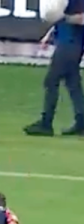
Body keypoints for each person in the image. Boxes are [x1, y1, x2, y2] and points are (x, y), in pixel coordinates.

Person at [24, 0, 84, 137]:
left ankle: (46, 123)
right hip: (70, 44)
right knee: (73, 84)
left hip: (69, 45)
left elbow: (80, 19)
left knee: (51, 81)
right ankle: (81, 121)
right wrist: (49, 34)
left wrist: (61, 17)